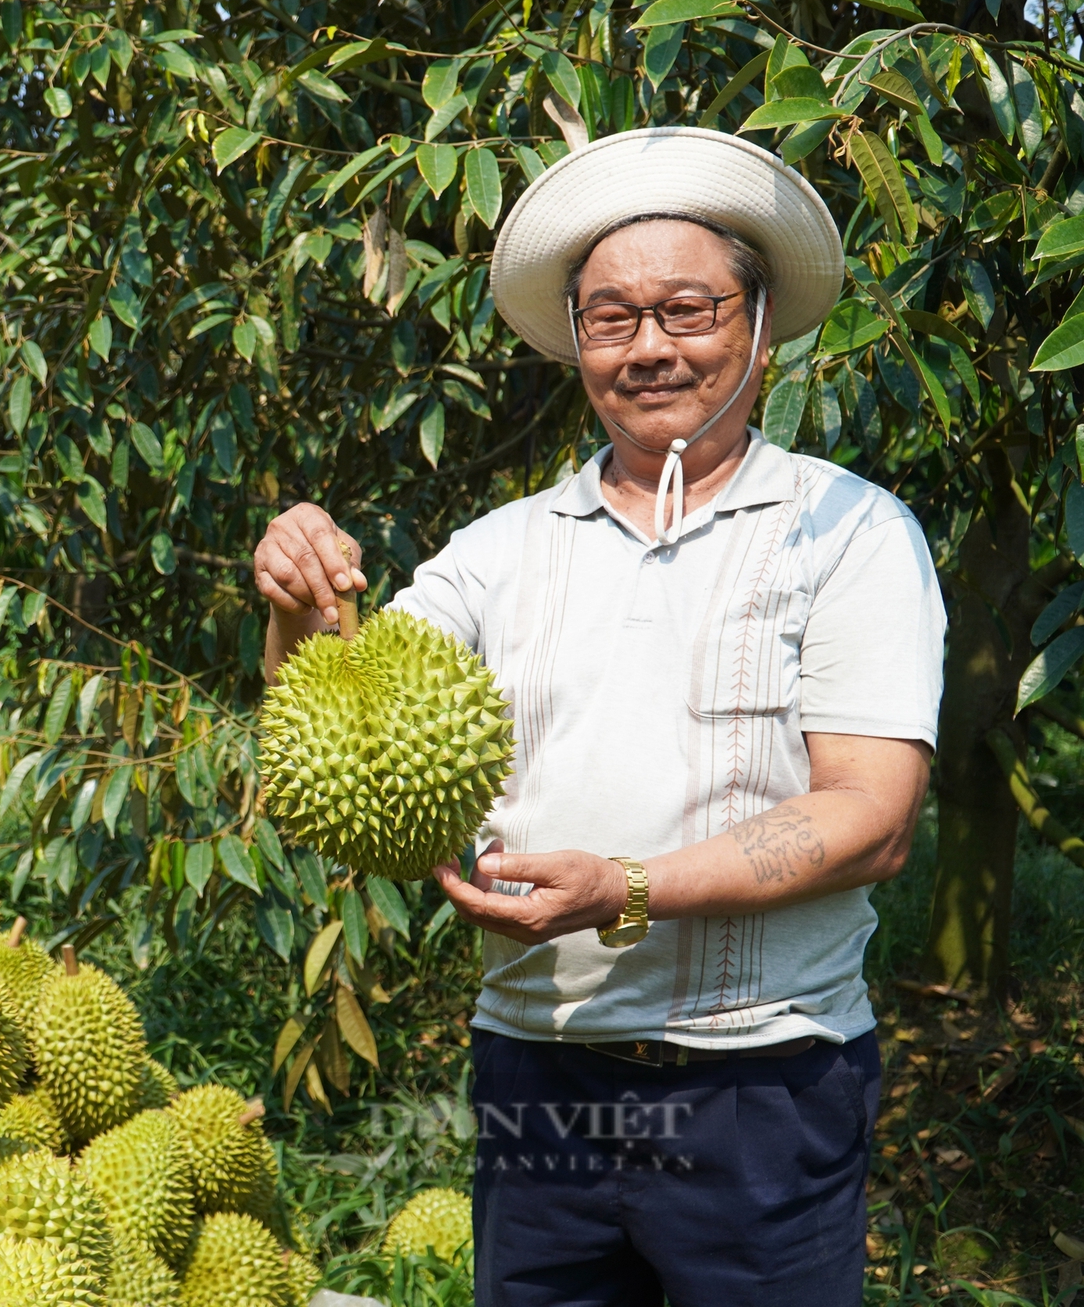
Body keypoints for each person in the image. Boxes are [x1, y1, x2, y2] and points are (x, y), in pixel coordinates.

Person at [252, 128, 945, 1306]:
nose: (649, 348)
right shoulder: (499, 551)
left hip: (762, 1083)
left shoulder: (849, 532)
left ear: (758, 327)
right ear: (575, 342)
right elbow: (344, 709)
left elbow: (871, 819)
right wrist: (295, 591)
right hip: (536, 1071)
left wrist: (624, 887)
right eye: (610, 318)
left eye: (687, 308)